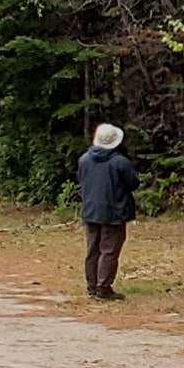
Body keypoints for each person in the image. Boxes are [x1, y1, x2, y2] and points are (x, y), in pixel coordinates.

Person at [74, 123, 139, 299]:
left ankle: (92, 285)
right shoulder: (120, 162)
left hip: (90, 210)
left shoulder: (84, 159)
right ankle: (103, 287)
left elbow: (81, 182)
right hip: (115, 212)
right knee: (109, 250)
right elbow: (133, 183)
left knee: (92, 249)